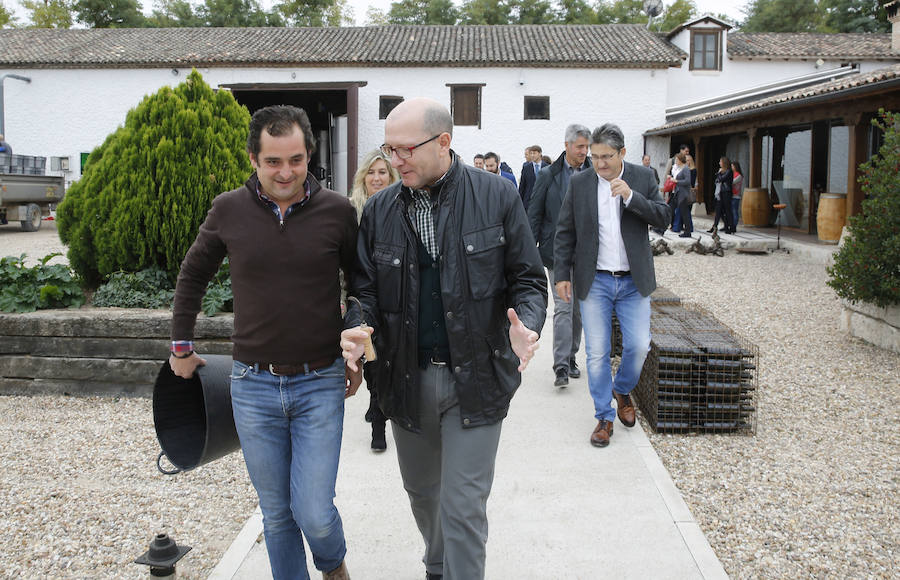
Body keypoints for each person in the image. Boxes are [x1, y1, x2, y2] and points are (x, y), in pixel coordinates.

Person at [340, 97, 547, 580]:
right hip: (404, 379)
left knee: (462, 506)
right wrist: (357, 324)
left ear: (445, 142)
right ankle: (437, 566)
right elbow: (365, 289)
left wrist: (528, 326)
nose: (395, 161)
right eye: (390, 150)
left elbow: (529, 280)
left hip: (476, 378)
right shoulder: (381, 210)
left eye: (406, 150)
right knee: (423, 494)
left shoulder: (497, 196)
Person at [169, 105, 357, 580]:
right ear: (253, 157)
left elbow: (363, 286)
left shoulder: (337, 211)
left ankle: (332, 563)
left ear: (309, 154)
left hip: (320, 382)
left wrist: (360, 353)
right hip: (251, 385)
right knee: (276, 514)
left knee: (313, 512)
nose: (286, 172)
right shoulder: (228, 209)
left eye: (295, 159)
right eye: (273, 161)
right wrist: (181, 347)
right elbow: (193, 275)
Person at [553, 123, 671, 448]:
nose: (600, 164)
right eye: (594, 157)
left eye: (607, 156)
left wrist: (632, 197)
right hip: (597, 281)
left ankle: (622, 388)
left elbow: (664, 217)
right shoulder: (579, 183)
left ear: (622, 153)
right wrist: (562, 274)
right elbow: (565, 232)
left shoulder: (642, 178)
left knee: (639, 347)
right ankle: (603, 416)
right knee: (596, 354)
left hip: (634, 281)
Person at [527, 124, 592, 387]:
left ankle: (572, 356)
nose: (584, 152)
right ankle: (561, 366)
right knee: (564, 308)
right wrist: (529, 250)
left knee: (577, 310)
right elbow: (535, 213)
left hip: (587, 253)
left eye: (587, 147)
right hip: (556, 252)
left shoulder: (593, 173)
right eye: (580, 147)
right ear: (567, 145)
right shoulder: (547, 175)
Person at [349, 149, 400, 451]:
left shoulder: (398, 208)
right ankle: (376, 410)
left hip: (392, 294)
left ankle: (379, 415)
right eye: (371, 172)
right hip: (362, 296)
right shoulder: (351, 210)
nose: (377, 178)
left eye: (382, 172)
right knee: (371, 360)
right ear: (363, 177)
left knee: (385, 359)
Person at [709, 156, 734, 234]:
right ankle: (714, 226)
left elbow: (721, 179)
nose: (719, 163)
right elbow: (717, 180)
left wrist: (719, 173)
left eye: (720, 162)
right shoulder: (721, 171)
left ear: (724, 163)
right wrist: (719, 174)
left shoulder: (729, 171)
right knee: (718, 210)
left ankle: (731, 227)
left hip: (726, 192)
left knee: (727, 210)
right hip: (720, 192)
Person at [518, 145, 548, 211]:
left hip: (544, 201)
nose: (532, 155)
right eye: (531, 153)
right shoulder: (526, 168)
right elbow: (522, 186)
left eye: (534, 153)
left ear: (540, 153)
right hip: (528, 202)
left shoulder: (547, 167)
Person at [672, 152, 694, 238]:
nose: (676, 161)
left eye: (677, 159)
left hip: (684, 194)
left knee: (685, 213)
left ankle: (687, 231)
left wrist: (677, 181)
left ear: (681, 160)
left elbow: (688, 181)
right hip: (678, 193)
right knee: (675, 210)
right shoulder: (680, 168)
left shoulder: (685, 169)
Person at [731, 160, 744, 228]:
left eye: (732, 166)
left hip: (736, 195)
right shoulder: (733, 174)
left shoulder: (739, 176)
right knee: (732, 210)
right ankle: (732, 224)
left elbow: (732, 182)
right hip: (732, 195)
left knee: (734, 211)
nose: (731, 167)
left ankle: (734, 225)